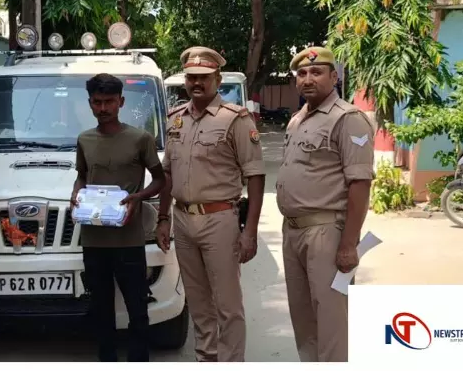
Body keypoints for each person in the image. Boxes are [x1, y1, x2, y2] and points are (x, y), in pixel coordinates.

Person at [156, 46, 265, 362]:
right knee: (198, 302)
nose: (196, 83)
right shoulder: (176, 119)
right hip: (182, 220)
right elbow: (168, 173)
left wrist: (250, 232)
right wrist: (163, 218)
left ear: (217, 79)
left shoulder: (235, 119)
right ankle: (206, 358)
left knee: (227, 305)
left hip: (219, 220)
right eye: (191, 77)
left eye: (204, 77)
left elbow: (255, 175)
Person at [276, 46, 375, 362]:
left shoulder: (348, 119)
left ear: (334, 77)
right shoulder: (296, 120)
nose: (308, 79)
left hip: (326, 233)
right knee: (303, 318)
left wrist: (348, 244)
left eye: (317, 72)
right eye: (302, 73)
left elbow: (360, 184)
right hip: (293, 231)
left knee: (332, 319)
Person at [69, 73, 166, 362]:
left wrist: (138, 197)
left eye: (109, 101)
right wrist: (76, 193)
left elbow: (160, 180)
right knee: (101, 310)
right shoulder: (84, 139)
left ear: (121, 102)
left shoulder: (140, 139)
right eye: (97, 102)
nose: (103, 108)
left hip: (129, 239)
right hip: (94, 239)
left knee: (138, 309)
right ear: (90, 103)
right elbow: (82, 176)